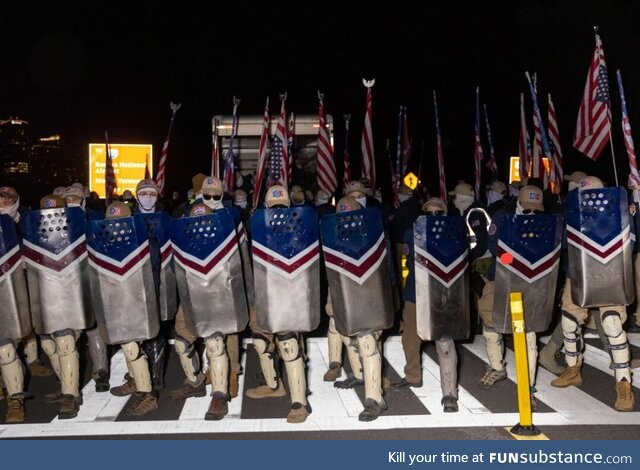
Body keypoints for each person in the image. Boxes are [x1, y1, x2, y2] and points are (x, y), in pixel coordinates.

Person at [551, 176, 635, 411]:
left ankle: (623, 382)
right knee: (568, 322)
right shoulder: (572, 213)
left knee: (612, 324)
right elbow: (565, 244)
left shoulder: (620, 212)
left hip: (612, 271)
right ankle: (573, 368)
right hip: (577, 273)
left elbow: (633, 243)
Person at [169, 177, 243, 411]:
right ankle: (196, 381)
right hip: (194, 287)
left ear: (222, 195)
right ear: (201, 193)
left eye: (215, 195)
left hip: (223, 288)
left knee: (222, 339)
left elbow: (242, 256)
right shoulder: (188, 215)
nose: (211, 199)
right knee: (182, 337)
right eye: (207, 194)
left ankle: (225, 382)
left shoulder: (231, 218)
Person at [245, 185, 312, 423]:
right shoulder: (257, 225)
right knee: (261, 342)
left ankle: (299, 402)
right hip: (264, 291)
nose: (278, 212)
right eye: (274, 208)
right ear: (265, 207)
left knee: (289, 346)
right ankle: (274, 385)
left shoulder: (301, 227)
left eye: (283, 207)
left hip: (288, 294)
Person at [323, 196, 393, 420]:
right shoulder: (333, 231)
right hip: (340, 288)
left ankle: (374, 399)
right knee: (341, 330)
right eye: (343, 217)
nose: (347, 221)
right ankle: (360, 374)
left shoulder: (373, 232)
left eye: (351, 216)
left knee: (367, 341)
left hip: (367, 290)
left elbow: (384, 264)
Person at [476, 186, 545, 398]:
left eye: (537, 210)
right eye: (528, 209)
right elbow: (495, 246)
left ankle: (528, 385)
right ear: (519, 204)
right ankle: (497, 367)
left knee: (529, 330)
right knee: (489, 321)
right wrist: (514, 259)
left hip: (531, 279)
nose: (533, 214)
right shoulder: (502, 215)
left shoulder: (545, 219)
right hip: (501, 274)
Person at [393, 197, 460, 412]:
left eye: (437, 213)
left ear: (445, 214)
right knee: (410, 338)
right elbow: (410, 259)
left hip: (444, 293)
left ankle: (449, 394)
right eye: (428, 213)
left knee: (445, 341)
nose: (432, 217)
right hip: (416, 291)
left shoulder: (454, 231)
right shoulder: (412, 232)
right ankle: (413, 376)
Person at [63, 185, 110, 393]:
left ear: (83, 201)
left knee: (93, 326)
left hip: (91, 277)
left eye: (75, 199)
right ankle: (67, 378)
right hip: (65, 282)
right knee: (68, 331)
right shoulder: (56, 222)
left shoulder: (95, 219)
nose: (71, 203)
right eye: (68, 200)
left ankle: (101, 371)